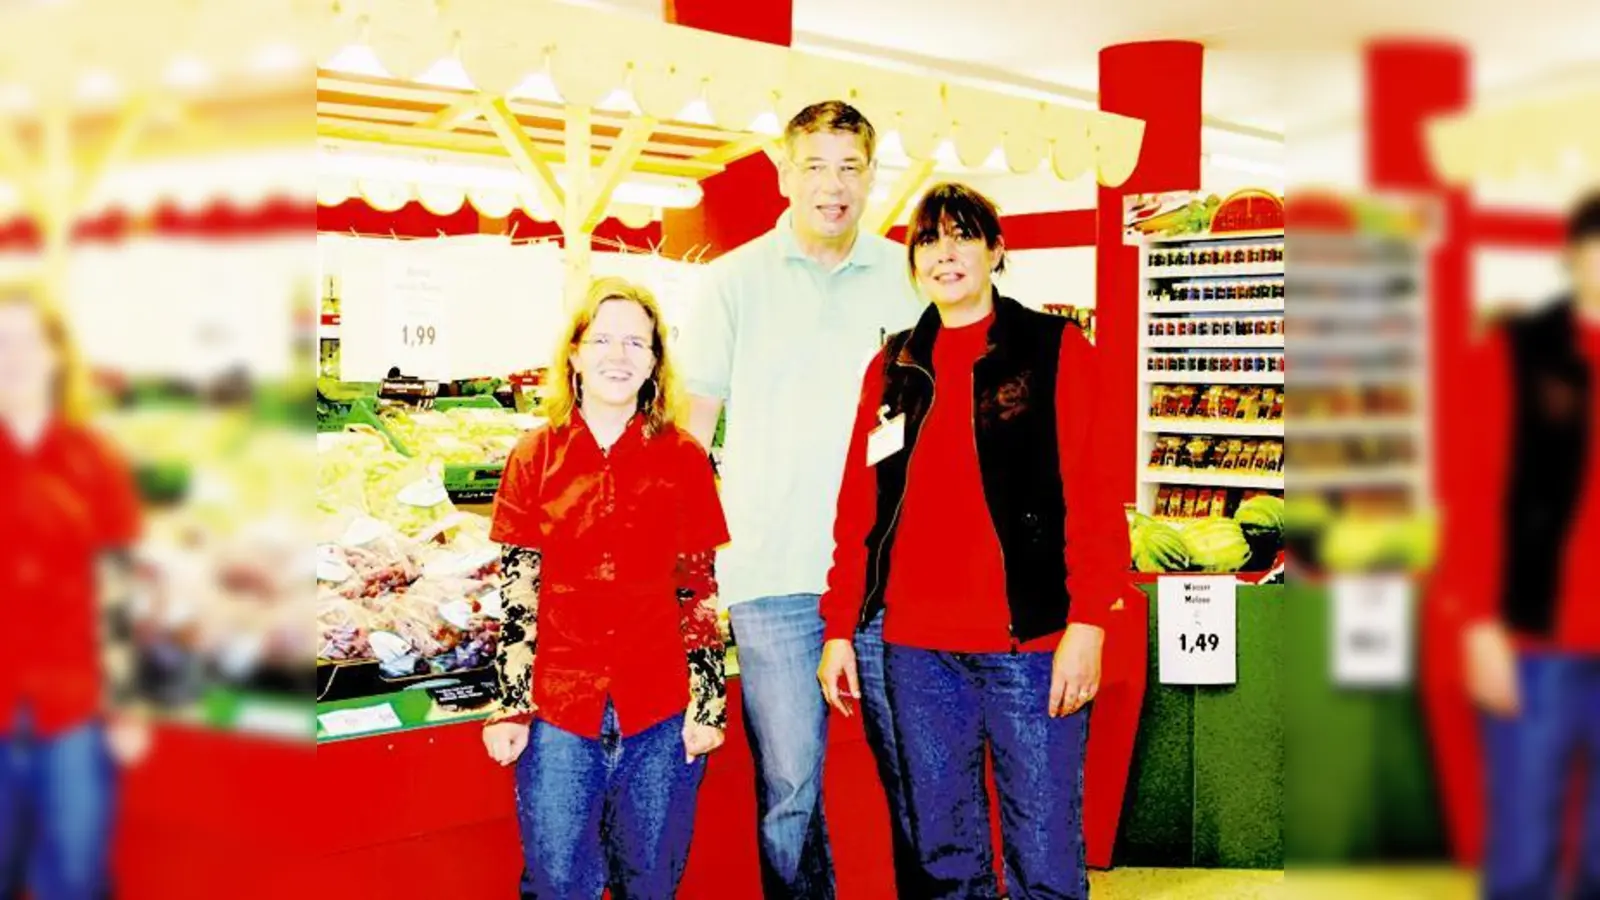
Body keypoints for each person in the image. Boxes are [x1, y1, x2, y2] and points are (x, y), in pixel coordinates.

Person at [817, 182, 1129, 900]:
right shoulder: (893, 366)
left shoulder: (1056, 351)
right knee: (944, 853)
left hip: (1030, 644)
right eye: (928, 239)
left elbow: (1092, 495)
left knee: (1044, 854)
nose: (945, 252)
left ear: (996, 250)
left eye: (963, 235)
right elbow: (859, 507)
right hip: (917, 650)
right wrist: (841, 626)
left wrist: (1088, 621)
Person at [678, 100, 922, 897]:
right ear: (785, 174)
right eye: (815, 165)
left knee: (919, 778)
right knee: (789, 790)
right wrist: (681, 570)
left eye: (851, 167)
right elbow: (691, 433)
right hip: (771, 572)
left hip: (891, 577)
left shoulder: (910, 276)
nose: (834, 186)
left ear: (872, 177)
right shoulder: (731, 283)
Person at [481, 277, 730, 900]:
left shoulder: (685, 459)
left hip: (660, 709)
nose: (618, 356)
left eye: (636, 344)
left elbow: (697, 587)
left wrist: (708, 704)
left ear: (654, 363)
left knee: (651, 880)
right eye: (604, 340)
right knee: (559, 881)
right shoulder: (533, 456)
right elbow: (518, 592)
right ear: (575, 354)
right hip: (560, 709)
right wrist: (510, 704)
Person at [1446, 191, 1600, 900]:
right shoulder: (1516, 351)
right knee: (1525, 855)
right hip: (1537, 643)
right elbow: (1473, 494)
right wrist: (1478, 623)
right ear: (1575, 256)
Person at [0, 280, 152, 900]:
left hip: (75, 708)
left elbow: (117, 589)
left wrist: (128, 702)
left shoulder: (93, 459)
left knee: (77, 877)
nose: (14, 357)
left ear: (56, 354)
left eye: (27, 342)